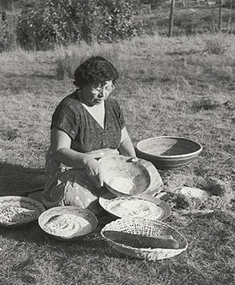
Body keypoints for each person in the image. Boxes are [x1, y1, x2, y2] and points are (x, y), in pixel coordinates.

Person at [42, 56, 162, 214]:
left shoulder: (112, 106)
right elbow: (59, 151)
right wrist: (87, 161)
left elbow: (123, 139)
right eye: (97, 88)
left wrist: (133, 160)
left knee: (149, 171)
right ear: (82, 84)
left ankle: (111, 201)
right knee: (74, 196)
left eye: (108, 87)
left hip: (113, 166)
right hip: (78, 168)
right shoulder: (69, 108)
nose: (103, 94)